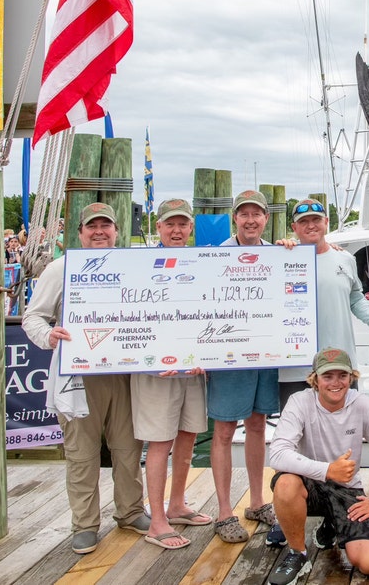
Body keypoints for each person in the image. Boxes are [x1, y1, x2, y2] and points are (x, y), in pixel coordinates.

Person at [21, 203, 149, 555]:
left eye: (106, 226)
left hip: (124, 373)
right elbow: (33, 317)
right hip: (78, 375)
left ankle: (131, 511)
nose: (99, 232)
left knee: (128, 449)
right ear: (79, 233)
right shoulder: (60, 268)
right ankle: (85, 524)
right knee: (81, 454)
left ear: (117, 231)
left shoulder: (132, 267)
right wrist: (50, 336)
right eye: (92, 226)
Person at [265, 199, 369, 548]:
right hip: (295, 367)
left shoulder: (345, 259)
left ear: (326, 221)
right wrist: (279, 249)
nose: (310, 225)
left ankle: (333, 515)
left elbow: (357, 300)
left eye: (316, 219)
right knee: (295, 446)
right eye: (303, 222)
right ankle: (288, 518)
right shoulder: (281, 257)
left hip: (339, 369)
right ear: (293, 228)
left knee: (342, 444)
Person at [266, 347, 369, 585]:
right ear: (315, 379)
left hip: (346, 490)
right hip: (309, 484)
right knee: (285, 483)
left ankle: (331, 525)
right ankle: (297, 554)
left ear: (351, 378)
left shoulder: (363, 405)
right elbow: (278, 455)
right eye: (327, 376)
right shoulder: (299, 402)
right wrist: (327, 470)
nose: (335, 383)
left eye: (342, 376)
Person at [132, 198, 213, 550]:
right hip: (156, 371)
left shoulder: (204, 264)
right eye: (170, 225)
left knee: (188, 436)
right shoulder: (137, 264)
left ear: (190, 229)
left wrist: (209, 355)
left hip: (193, 368)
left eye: (183, 225)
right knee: (159, 445)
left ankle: (177, 504)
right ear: (158, 228)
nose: (177, 231)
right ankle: (157, 520)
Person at [208, 190, 285, 543]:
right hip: (228, 357)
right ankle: (224, 513)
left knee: (257, 426)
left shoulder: (278, 255)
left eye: (257, 214)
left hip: (265, 355)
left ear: (266, 219)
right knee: (223, 432)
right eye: (244, 214)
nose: (250, 220)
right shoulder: (216, 256)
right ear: (234, 219)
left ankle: (256, 502)